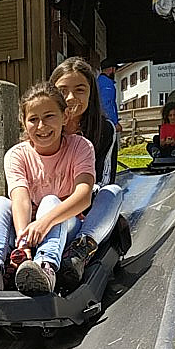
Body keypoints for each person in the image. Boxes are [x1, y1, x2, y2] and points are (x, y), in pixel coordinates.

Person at [0, 81, 95, 296]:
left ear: (64, 117)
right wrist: (23, 245)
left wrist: (45, 222)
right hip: (27, 230)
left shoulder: (80, 147)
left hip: (64, 226)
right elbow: (20, 199)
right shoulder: (16, 155)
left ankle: (46, 267)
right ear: (24, 123)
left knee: (50, 201)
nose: (41, 126)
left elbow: (84, 195)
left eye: (49, 116)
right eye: (33, 119)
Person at [50, 57, 125, 287]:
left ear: (91, 93)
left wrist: (81, 196)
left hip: (87, 210)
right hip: (52, 211)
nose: (71, 98)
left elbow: (105, 179)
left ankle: (81, 249)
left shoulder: (104, 130)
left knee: (112, 192)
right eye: (63, 91)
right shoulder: (45, 128)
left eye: (80, 90)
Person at [97, 59, 122, 136]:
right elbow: (107, 104)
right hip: (106, 123)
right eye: (115, 69)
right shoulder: (107, 83)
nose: (115, 72)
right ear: (111, 69)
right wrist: (114, 122)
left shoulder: (99, 81)